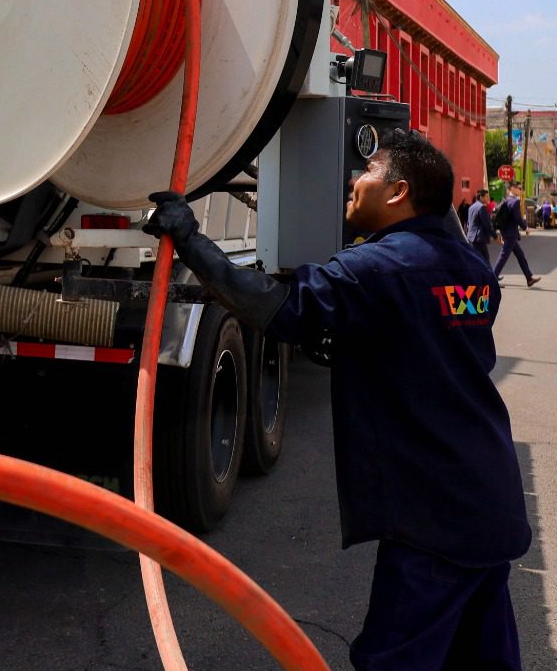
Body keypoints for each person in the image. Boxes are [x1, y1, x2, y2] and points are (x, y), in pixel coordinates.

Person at [145, 129, 531, 670]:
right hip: (489, 502)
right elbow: (425, 333)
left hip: (433, 520)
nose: (353, 180)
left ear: (397, 193)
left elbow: (276, 309)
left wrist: (191, 238)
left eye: (368, 172)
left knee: (390, 660)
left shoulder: (375, 270)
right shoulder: (470, 272)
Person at [493, 185, 542, 287]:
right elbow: (517, 218)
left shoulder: (507, 200)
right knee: (503, 256)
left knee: (520, 255)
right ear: (512, 189)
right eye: (519, 188)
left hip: (507, 232)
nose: (521, 190)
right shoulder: (514, 201)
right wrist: (526, 228)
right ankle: (492, 279)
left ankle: (529, 278)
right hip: (511, 234)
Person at [466, 189, 496, 265]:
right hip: (479, 238)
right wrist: (495, 236)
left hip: (472, 237)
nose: (488, 198)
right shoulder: (481, 208)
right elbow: (487, 225)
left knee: (483, 259)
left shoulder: (471, 207)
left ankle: (490, 276)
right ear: (481, 197)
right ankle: (488, 275)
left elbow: (469, 223)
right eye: (486, 196)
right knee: (481, 260)